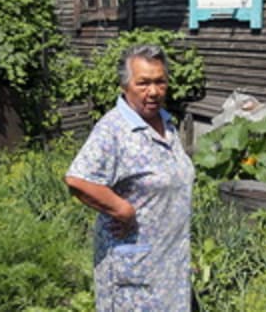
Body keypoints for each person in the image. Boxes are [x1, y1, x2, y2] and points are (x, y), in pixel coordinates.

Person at [64, 44, 195, 312]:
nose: (153, 91)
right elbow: (78, 179)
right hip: (136, 265)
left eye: (160, 82)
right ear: (125, 86)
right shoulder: (114, 129)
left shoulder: (166, 123)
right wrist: (122, 210)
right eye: (143, 83)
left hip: (170, 262)